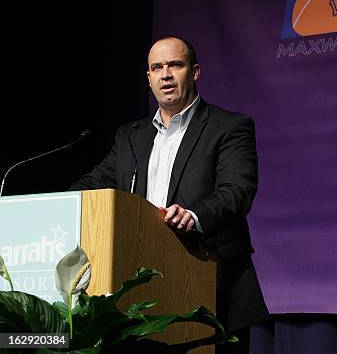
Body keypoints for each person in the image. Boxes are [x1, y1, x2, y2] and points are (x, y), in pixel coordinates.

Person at [70, 36, 268, 353]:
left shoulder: (228, 127)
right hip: (137, 287)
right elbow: (95, 183)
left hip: (209, 281)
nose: (166, 74)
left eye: (175, 65)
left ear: (195, 71)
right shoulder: (130, 136)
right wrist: (55, 205)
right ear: (148, 78)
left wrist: (195, 215)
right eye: (156, 67)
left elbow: (237, 191)